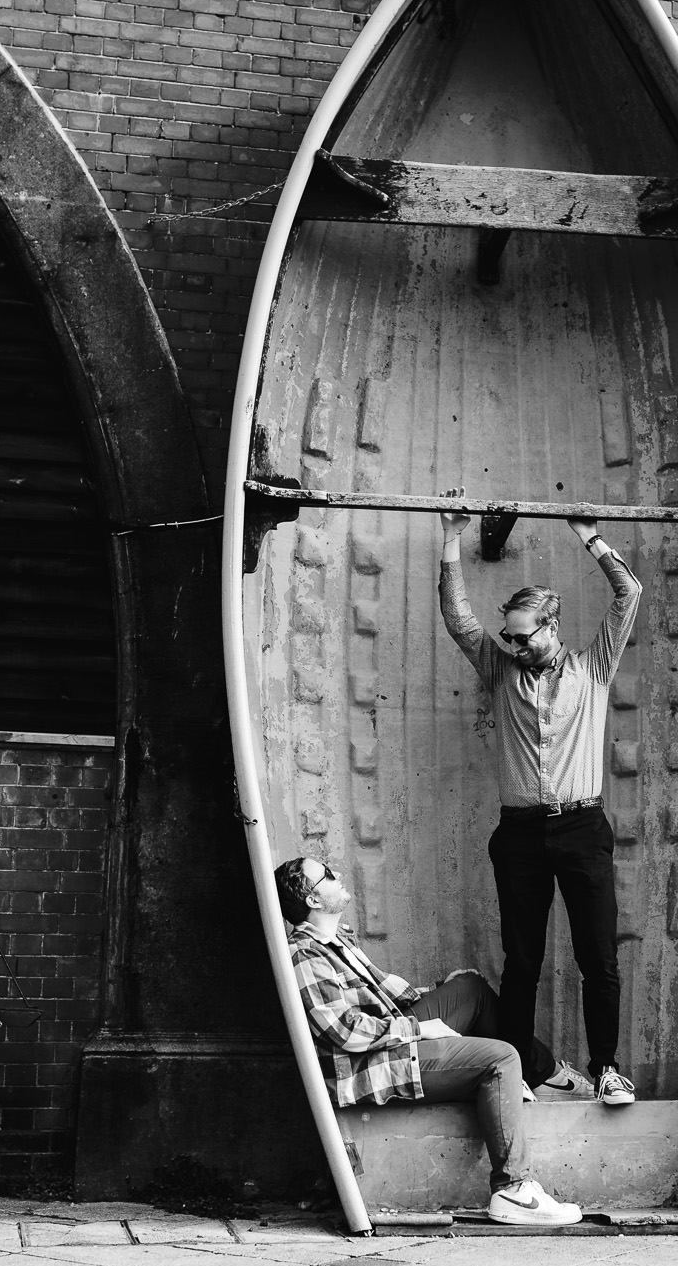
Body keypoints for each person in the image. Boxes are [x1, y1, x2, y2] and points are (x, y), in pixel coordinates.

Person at [438, 507, 642, 1108]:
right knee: (521, 961)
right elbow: (459, 620)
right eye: (510, 637)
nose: (514, 645)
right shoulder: (502, 671)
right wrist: (452, 539)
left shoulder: (593, 667)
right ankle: (520, 1072)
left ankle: (606, 1068)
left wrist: (591, 540)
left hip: (583, 827)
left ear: (553, 626)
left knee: (598, 958)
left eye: (525, 636)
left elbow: (628, 593)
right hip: (521, 833)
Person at [275, 855, 582, 1226]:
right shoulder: (305, 953)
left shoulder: (337, 938)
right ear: (312, 900)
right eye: (326, 874)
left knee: (472, 989)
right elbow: (345, 1031)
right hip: (373, 1064)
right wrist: (420, 1029)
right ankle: (513, 1189)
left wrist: (443, 991)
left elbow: (386, 991)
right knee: (501, 1057)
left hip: (391, 1037)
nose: (337, 873)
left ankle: (537, 1076)